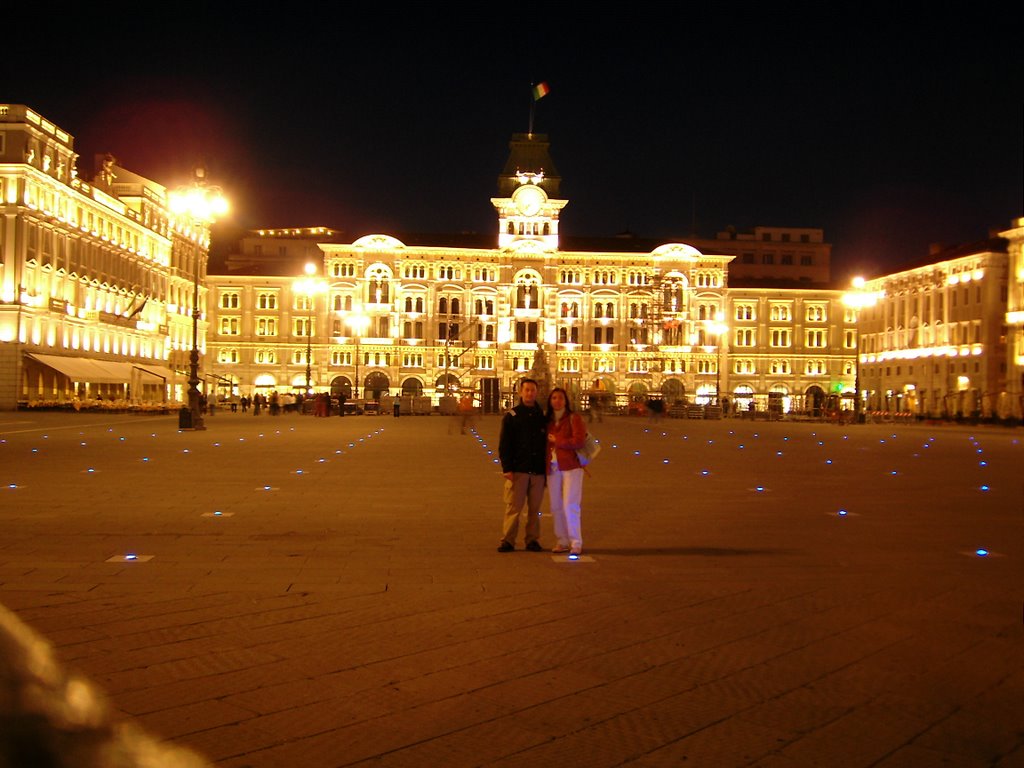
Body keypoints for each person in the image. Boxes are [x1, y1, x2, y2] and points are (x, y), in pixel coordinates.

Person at [497, 378, 547, 553]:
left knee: (535, 509)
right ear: (520, 392)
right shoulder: (512, 416)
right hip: (518, 470)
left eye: (533, 390)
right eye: (526, 390)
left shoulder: (543, 416)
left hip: (538, 471)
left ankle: (532, 540)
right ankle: (508, 540)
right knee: (514, 507)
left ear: (536, 392)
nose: (530, 393)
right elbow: (504, 445)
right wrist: (507, 468)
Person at [546, 387, 587, 557]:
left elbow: (579, 440)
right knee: (556, 505)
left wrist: (558, 441)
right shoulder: (547, 420)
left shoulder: (573, 418)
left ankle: (576, 542)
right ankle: (562, 540)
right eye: (554, 398)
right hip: (553, 466)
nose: (557, 401)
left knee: (570, 504)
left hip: (571, 465)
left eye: (560, 398)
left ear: (566, 401)